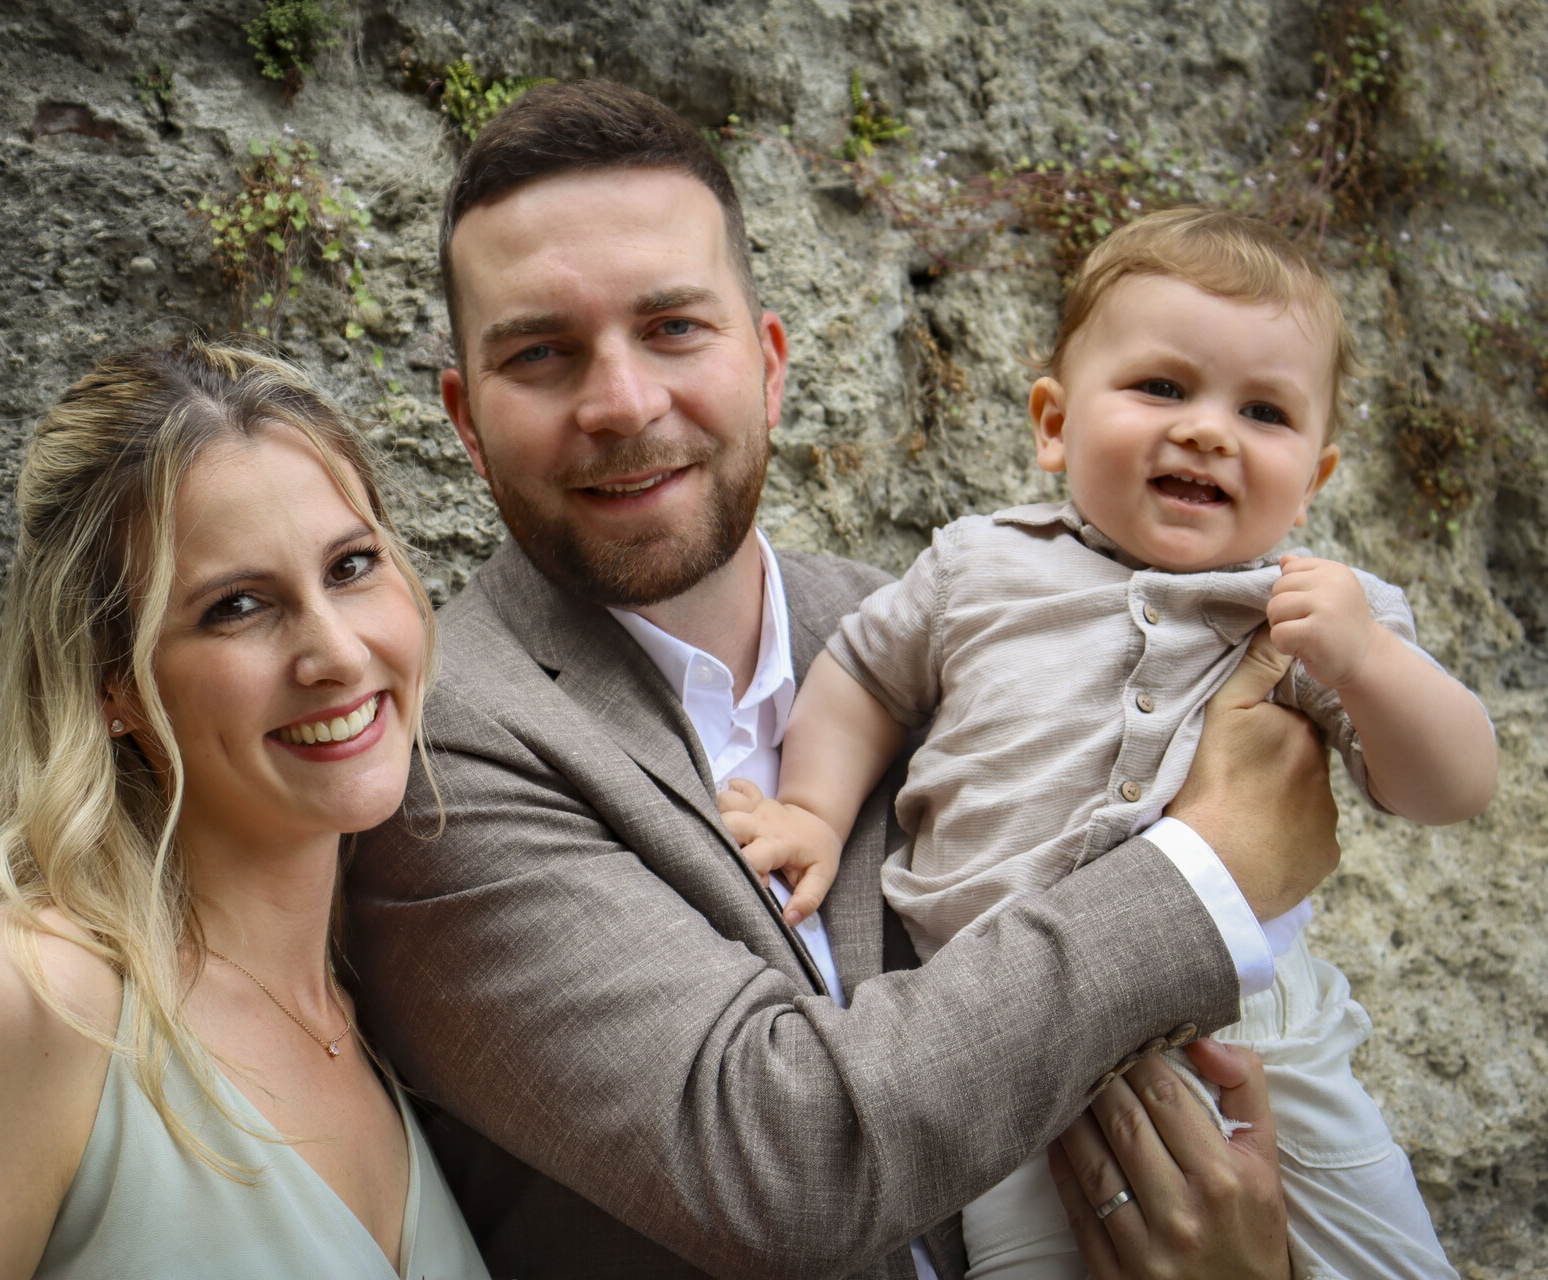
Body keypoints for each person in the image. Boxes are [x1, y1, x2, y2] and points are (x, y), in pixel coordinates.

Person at [347, 81, 1343, 1279]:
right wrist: (1208, 870)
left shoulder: (935, 628)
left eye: (674, 327)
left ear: (769, 365)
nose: (622, 402)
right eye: (541, 353)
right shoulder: (435, 752)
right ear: (466, 419)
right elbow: (784, 1159)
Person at [726, 208, 1488, 1278]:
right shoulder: (977, 567)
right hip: (1006, 1040)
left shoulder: (1303, 609)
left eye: (1263, 410)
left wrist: (1369, 662)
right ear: (1054, 422)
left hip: (1253, 1032)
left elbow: (1452, 785)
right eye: (1163, 387)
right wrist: (812, 807)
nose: (1209, 430)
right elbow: (861, 676)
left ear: (1313, 480)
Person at [0, 340, 490, 1280]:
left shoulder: (397, 1012)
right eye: (237, 606)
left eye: (351, 566)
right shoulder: (29, 998)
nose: (337, 654)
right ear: (113, 686)